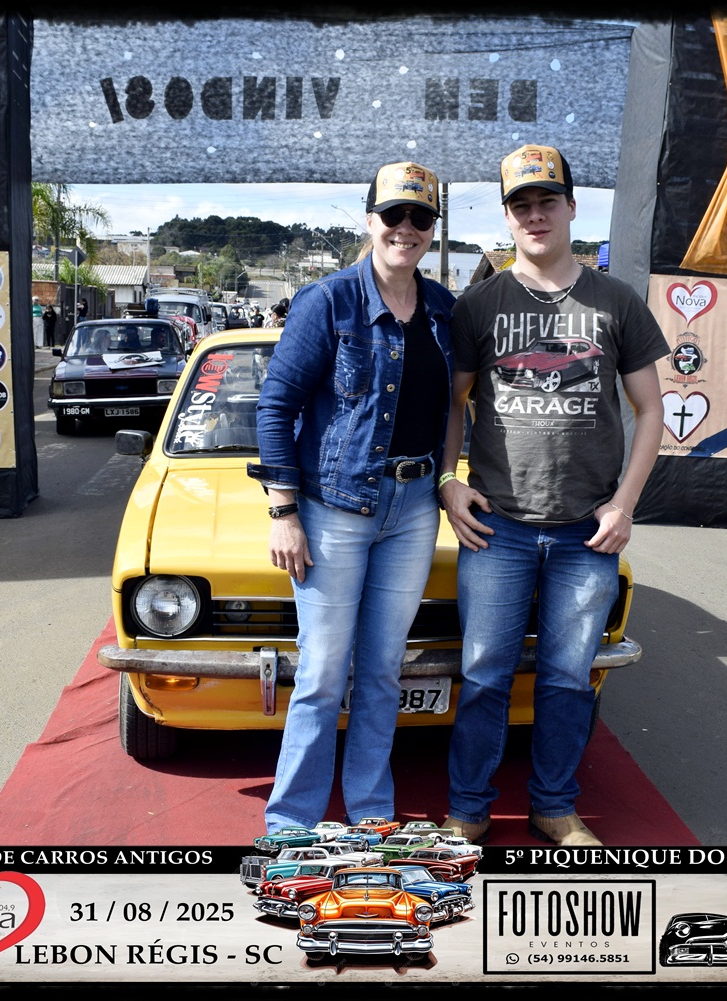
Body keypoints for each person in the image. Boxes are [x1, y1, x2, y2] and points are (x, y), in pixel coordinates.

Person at [438, 144, 670, 847]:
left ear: (571, 207)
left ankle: (555, 806)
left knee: (568, 679)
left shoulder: (616, 300)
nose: (535, 216)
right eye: (521, 206)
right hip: (498, 527)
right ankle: (468, 809)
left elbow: (651, 410)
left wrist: (625, 504)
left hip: (585, 533)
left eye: (547, 202)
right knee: (483, 675)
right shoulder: (479, 304)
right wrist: (448, 481)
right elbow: (454, 403)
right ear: (508, 217)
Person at [247, 161, 455, 833]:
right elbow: (275, 407)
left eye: (420, 217)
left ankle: (370, 811)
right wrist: (283, 511)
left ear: (432, 230)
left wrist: (450, 480)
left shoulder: (444, 310)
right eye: (393, 215)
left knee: (383, 671)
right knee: (322, 672)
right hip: (333, 508)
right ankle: (291, 823)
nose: (405, 228)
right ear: (370, 221)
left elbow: (455, 407)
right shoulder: (327, 301)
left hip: (414, 509)